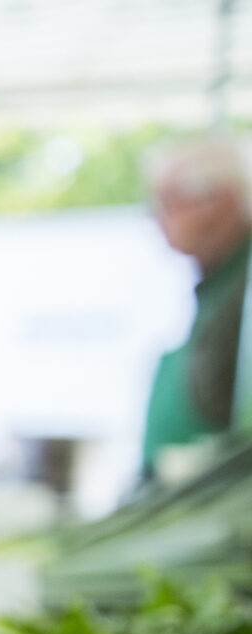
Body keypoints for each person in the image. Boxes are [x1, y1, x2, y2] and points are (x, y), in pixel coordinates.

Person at [141, 135, 250, 475]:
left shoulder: (243, 290)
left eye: (168, 201)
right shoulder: (216, 283)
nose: (155, 218)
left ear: (223, 201)